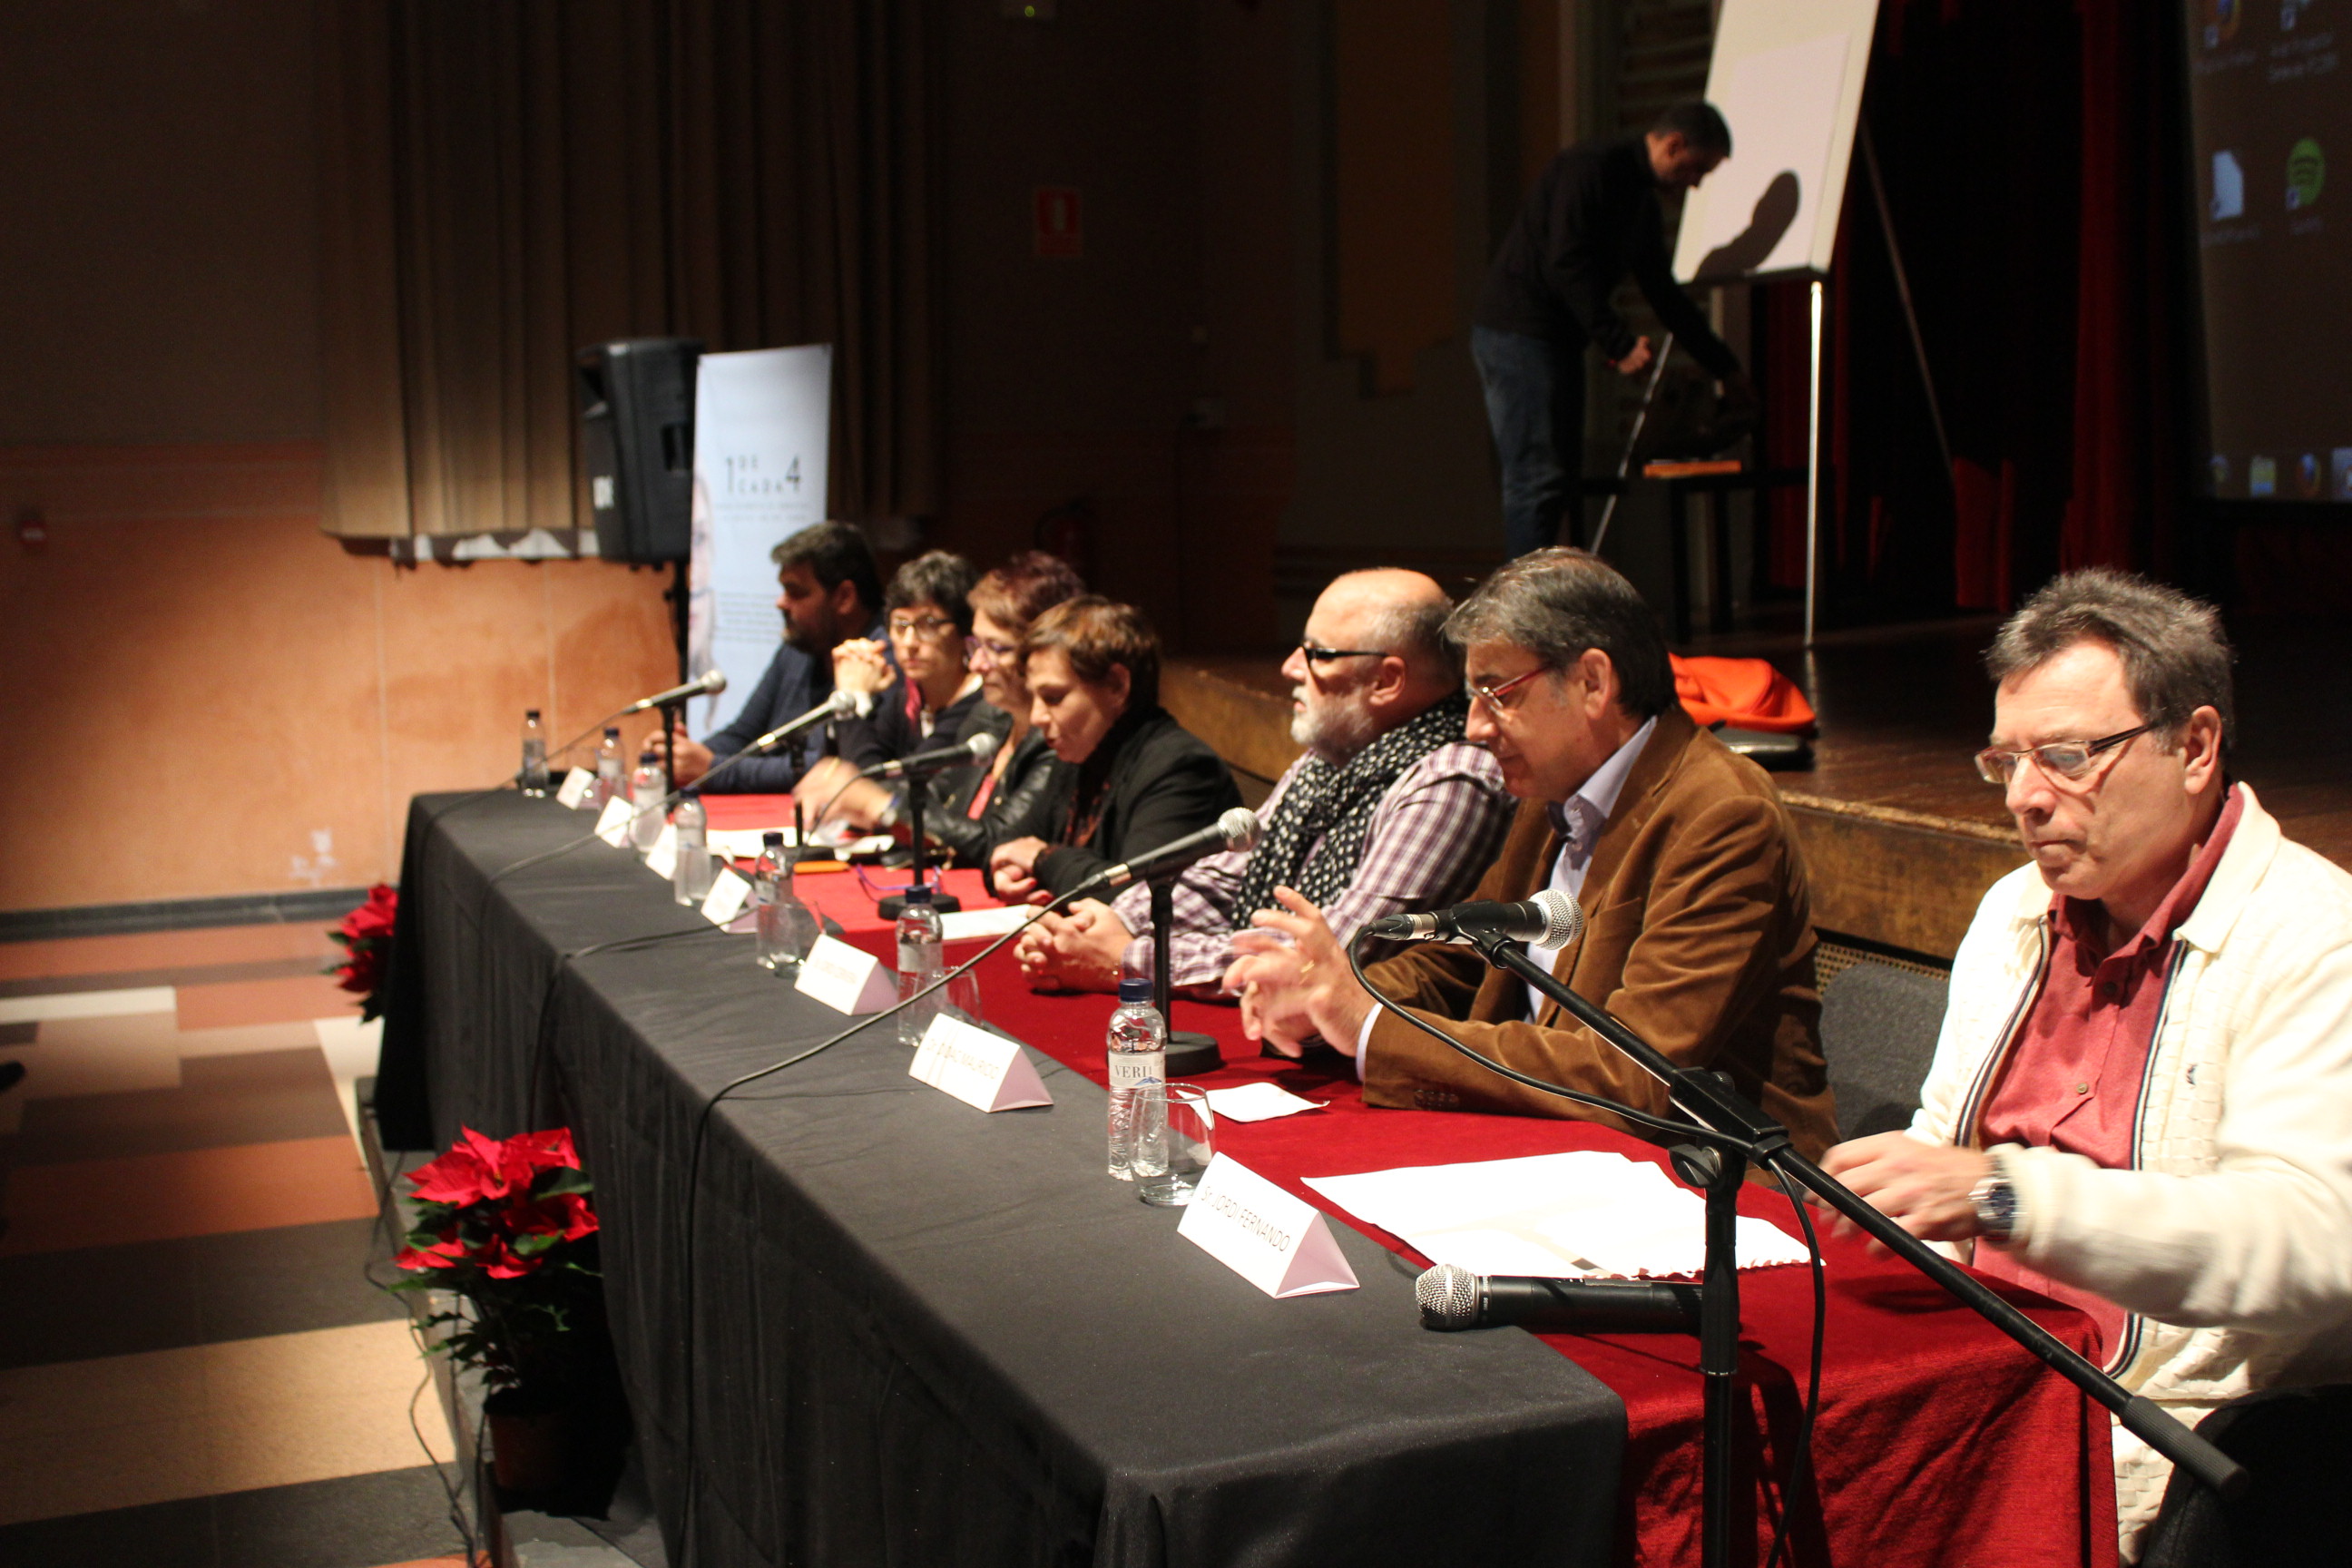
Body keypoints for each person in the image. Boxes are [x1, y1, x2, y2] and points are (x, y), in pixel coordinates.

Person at [1818, 570, 2352, 1555]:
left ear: (2194, 747)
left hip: (2164, 1440)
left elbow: (2311, 1242)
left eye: (2066, 757)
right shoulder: (2014, 912)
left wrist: (2004, 1196)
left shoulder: (2315, 939)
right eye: (2006, 761)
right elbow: (1945, 1148)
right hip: (1977, 1386)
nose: (2025, 798)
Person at [1223, 548, 1834, 1159]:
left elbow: (1633, 1075)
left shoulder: (1721, 815)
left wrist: (1368, 1026)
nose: (1474, 727)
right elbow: (1459, 962)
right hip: (1560, 1148)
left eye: (1497, 693)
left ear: (1592, 682)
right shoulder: (1552, 786)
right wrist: (1322, 998)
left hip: (1714, 1177)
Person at [1014, 570, 1513, 995]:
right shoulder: (1325, 761)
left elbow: (1333, 952)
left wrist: (1133, 957)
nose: (1290, 666)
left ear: (1386, 681)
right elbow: (1223, 880)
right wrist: (1110, 925)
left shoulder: (1452, 781)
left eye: (1318, 653)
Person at [1475, 101, 1758, 559]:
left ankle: (1551, 593)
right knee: (1536, 478)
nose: (1696, 183)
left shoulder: (1640, 203)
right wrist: (1619, 343)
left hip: (1557, 342)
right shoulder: (1591, 168)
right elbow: (1566, 262)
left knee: (1562, 480)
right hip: (1517, 333)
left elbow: (1664, 295)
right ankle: (1524, 602)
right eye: (1697, 169)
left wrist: (1725, 367)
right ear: (1673, 145)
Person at [988, 597, 1242, 904]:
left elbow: (1135, 896)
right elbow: (1013, 841)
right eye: (1034, 698)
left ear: (1117, 686)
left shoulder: (1182, 767)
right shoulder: (1079, 751)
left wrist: (1043, 859)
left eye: (1053, 697)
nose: (1036, 717)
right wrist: (1006, 869)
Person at [671, 522, 888, 793]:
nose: (781, 602)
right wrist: (683, 757)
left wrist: (714, 769)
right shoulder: (799, 647)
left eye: (796, 592)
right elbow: (744, 734)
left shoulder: (882, 660)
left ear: (844, 597)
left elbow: (832, 766)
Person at [795, 550, 987, 829]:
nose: (909, 642)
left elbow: (879, 793)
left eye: (928, 625)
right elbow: (857, 775)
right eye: (900, 626)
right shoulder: (907, 701)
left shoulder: (979, 709)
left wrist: (854, 697)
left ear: (965, 630)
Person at [918, 551, 1085, 867]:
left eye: (997, 648)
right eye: (976, 645)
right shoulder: (988, 716)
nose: (977, 664)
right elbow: (933, 795)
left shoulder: (1061, 740)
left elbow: (998, 841)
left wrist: (885, 807)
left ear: (1046, 651)